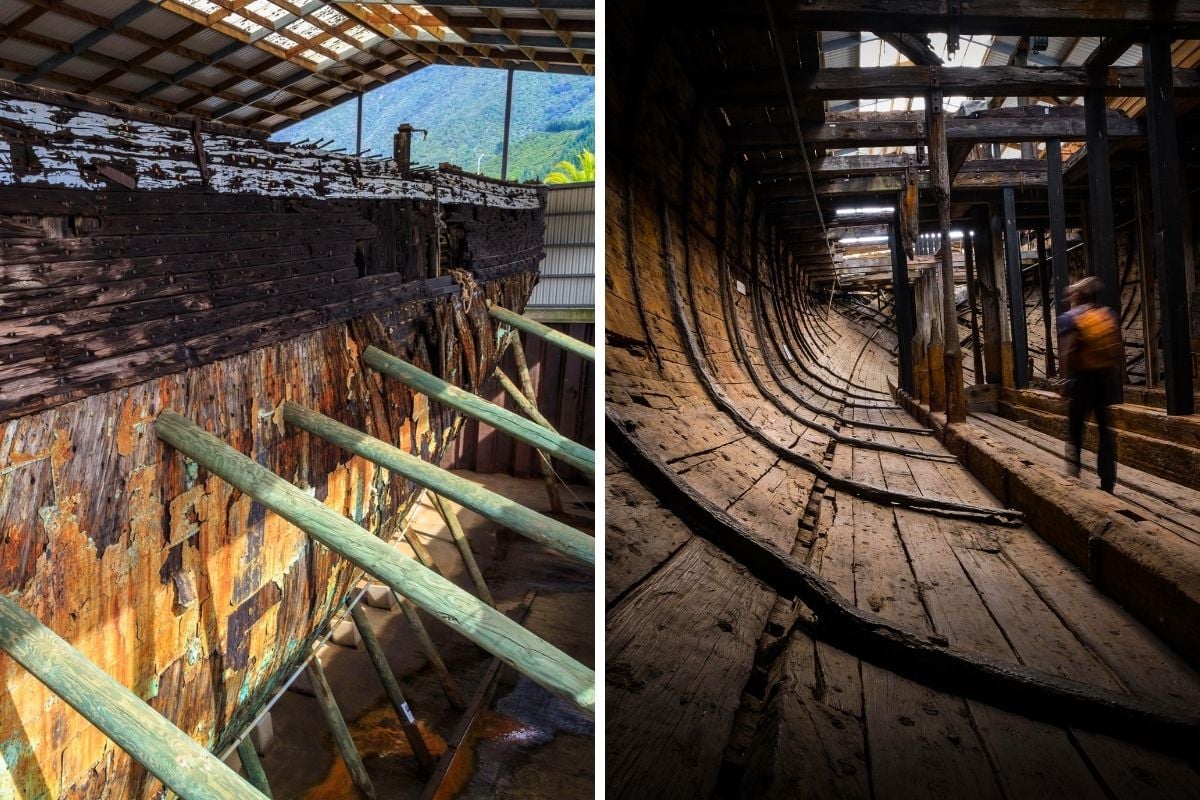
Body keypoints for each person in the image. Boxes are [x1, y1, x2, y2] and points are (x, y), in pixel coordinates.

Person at [1057, 276, 1119, 492]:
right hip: (1103, 380)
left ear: (1077, 296)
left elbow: (1066, 351)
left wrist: (1064, 381)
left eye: (1073, 293)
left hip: (1081, 381)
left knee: (1075, 429)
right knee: (1105, 431)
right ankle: (1108, 481)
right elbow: (1115, 351)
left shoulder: (1070, 318)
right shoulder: (1107, 316)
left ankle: (1073, 477)